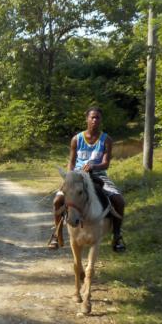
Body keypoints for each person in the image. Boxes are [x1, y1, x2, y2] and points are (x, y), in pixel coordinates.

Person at [49, 106, 126, 252]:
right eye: (92, 117)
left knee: (119, 201)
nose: (95, 120)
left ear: (101, 120)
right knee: (57, 201)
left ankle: (117, 236)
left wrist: (93, 166)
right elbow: (72, 161)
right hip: (77, 177)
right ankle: (56, 234)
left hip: (98, 175)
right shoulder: (76, 139)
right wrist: (69, 175)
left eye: (98, 117)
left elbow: (106, 163)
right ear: (87, 119)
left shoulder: (106, 140)